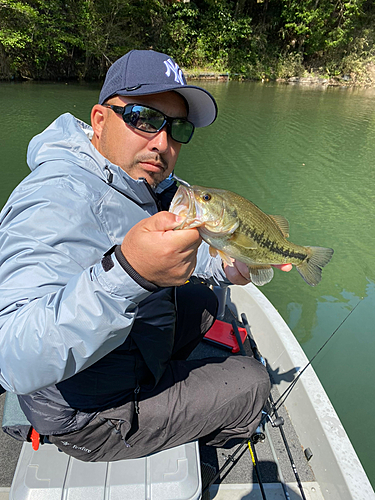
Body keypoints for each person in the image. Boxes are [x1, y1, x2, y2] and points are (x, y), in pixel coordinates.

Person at [0, 49, 291, 461]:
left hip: (121, 350)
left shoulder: (146, 179)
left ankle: (171, 385)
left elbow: (184, 240)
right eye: (143, 117)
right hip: (85, 412)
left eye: (178, 129)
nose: (162, 143)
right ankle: (196, 426)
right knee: (252, 383)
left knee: (207, 299)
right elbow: (10, 357)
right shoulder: (53, 200)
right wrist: (129, 272)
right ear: (100, 120)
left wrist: (226, 264)